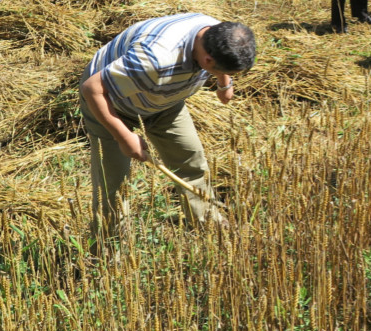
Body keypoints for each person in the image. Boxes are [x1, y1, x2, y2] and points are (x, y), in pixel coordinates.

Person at [79, 14, 256, 236]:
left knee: (191, 162)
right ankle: (110, 244)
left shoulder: (217, 32)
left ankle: (207, 226)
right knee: (114, 183)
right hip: (110, 101)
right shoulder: (155, 59)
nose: (224, 76)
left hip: (165, 102)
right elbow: (92, 89)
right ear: (208, 61)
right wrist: (123, 136)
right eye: (223, 72)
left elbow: (222, 57)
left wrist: (224, 83)